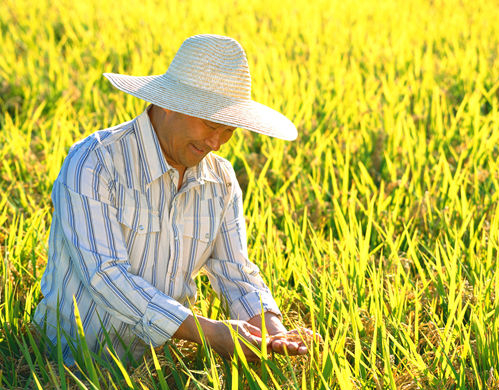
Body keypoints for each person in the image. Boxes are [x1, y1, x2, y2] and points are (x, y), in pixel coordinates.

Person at [34, 34, 314, 366]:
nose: (217, 143)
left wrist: (270, 332)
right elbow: (105, 275)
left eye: (229, 131)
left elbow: (235, 271)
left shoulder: (221, 180)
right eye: (211, 125)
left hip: (161, 368)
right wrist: (209, 333)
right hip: (68, 365)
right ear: (169, 102)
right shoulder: (95, 161)